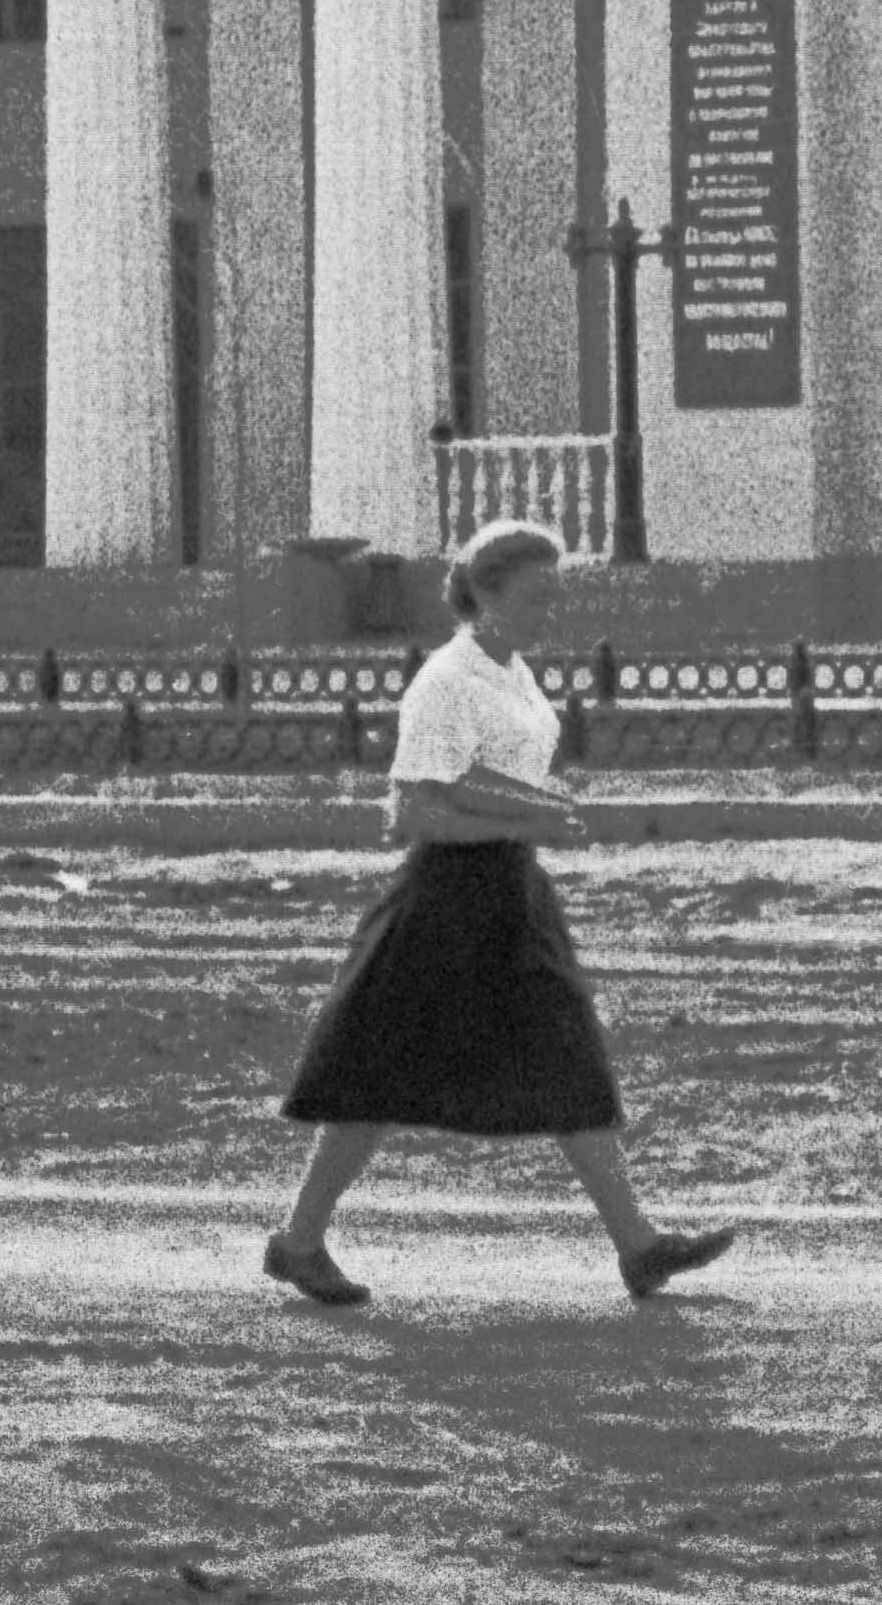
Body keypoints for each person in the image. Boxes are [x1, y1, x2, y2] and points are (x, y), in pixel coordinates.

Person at [264, 519, 729, 1307]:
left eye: (555, 595)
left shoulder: (508, 672)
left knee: (567, 1056)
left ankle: (639, 1247)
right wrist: (529, 818)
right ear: (484, 592)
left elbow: (478, 775)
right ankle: (299, 1242)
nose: (551, 610)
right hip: (443, 902)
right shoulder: (445, 680)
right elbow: (414, 811)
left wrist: (536, 810)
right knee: (373, 1076)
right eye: (537, 595)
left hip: (511, 893)